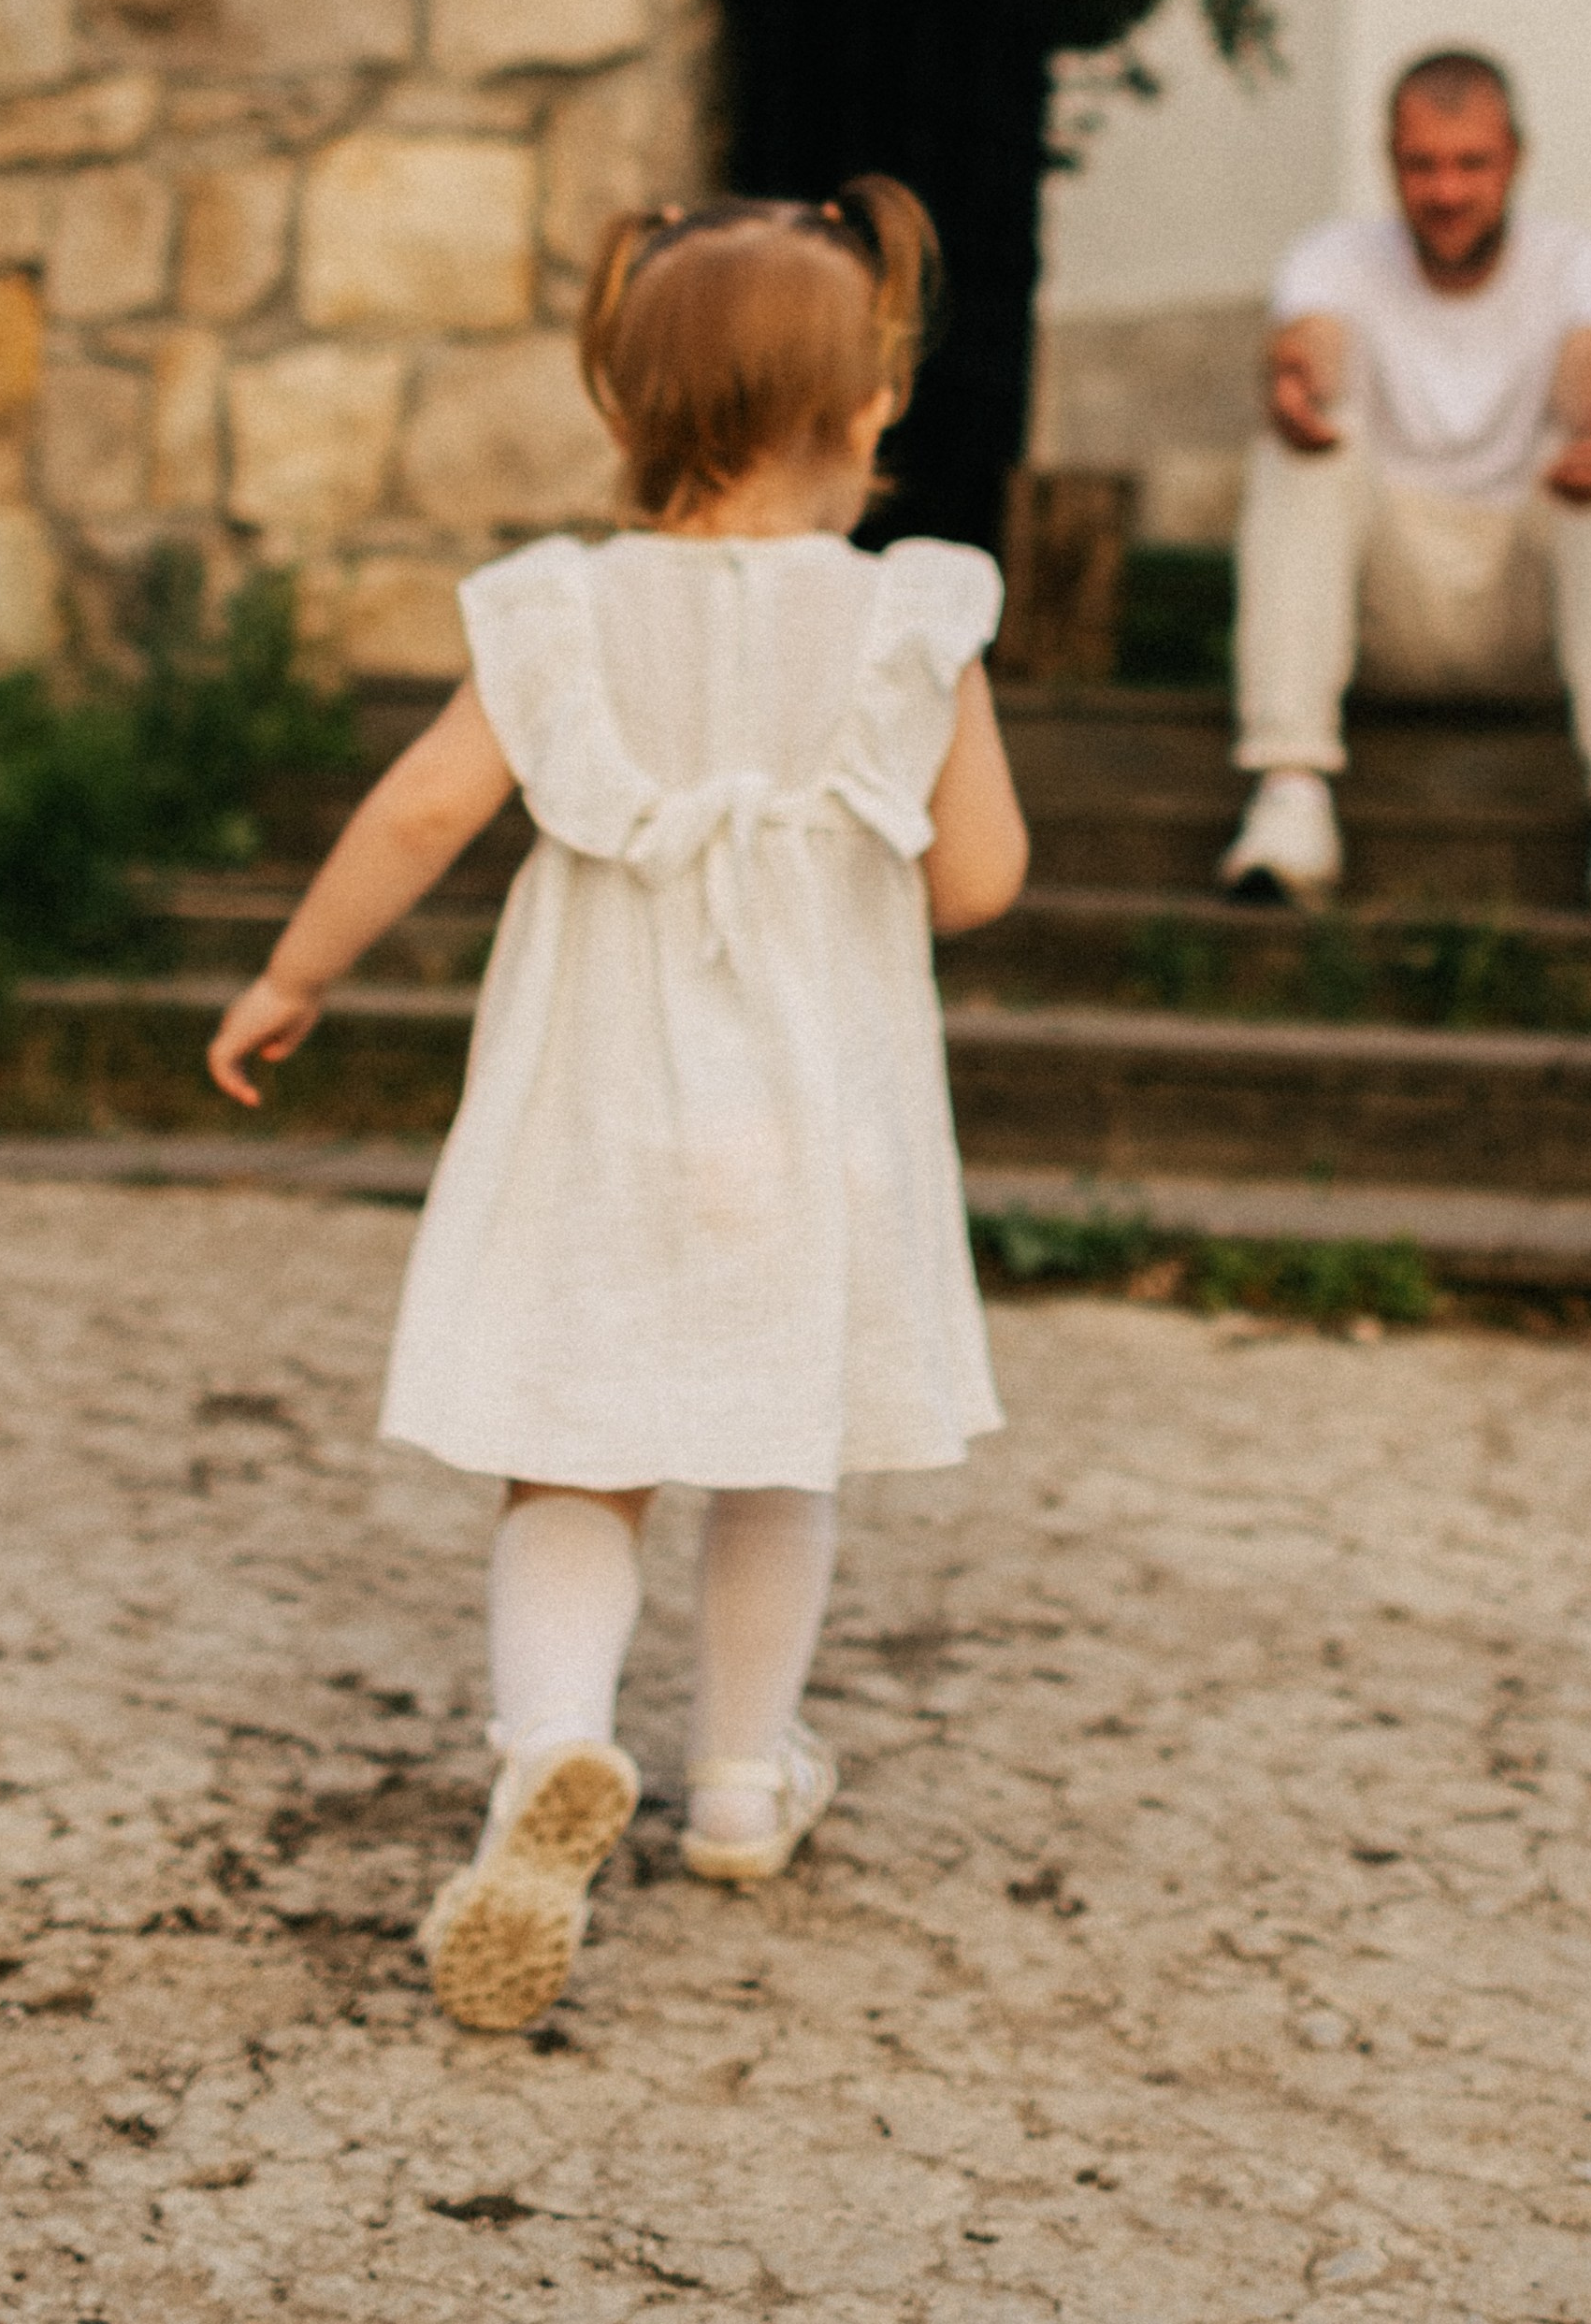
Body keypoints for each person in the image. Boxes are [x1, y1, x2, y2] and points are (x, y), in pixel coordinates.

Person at [204, 179, 1028, 2034]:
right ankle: (740, 1782)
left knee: (578, 1443)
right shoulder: (912, 617)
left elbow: (423, 808)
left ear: (624, 401)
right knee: (773, 1435)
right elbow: (978, 875)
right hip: (808, 1109)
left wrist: (295, 972)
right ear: (864, 406)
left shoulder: (560, 612)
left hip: (606, 1102)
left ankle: (551, 1749)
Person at [1222, 49, 1591, 923]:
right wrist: (1296, 386)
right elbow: (1309, 344)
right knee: (1299, 452)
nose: (1446, 192)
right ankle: (1288, 796)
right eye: (1421, 164)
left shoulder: (1583, 263)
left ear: (1515, 158)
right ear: (1389, 161)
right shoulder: (1333, 258)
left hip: (1529, 611)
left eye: (1470, 163)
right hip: (1385, 611)